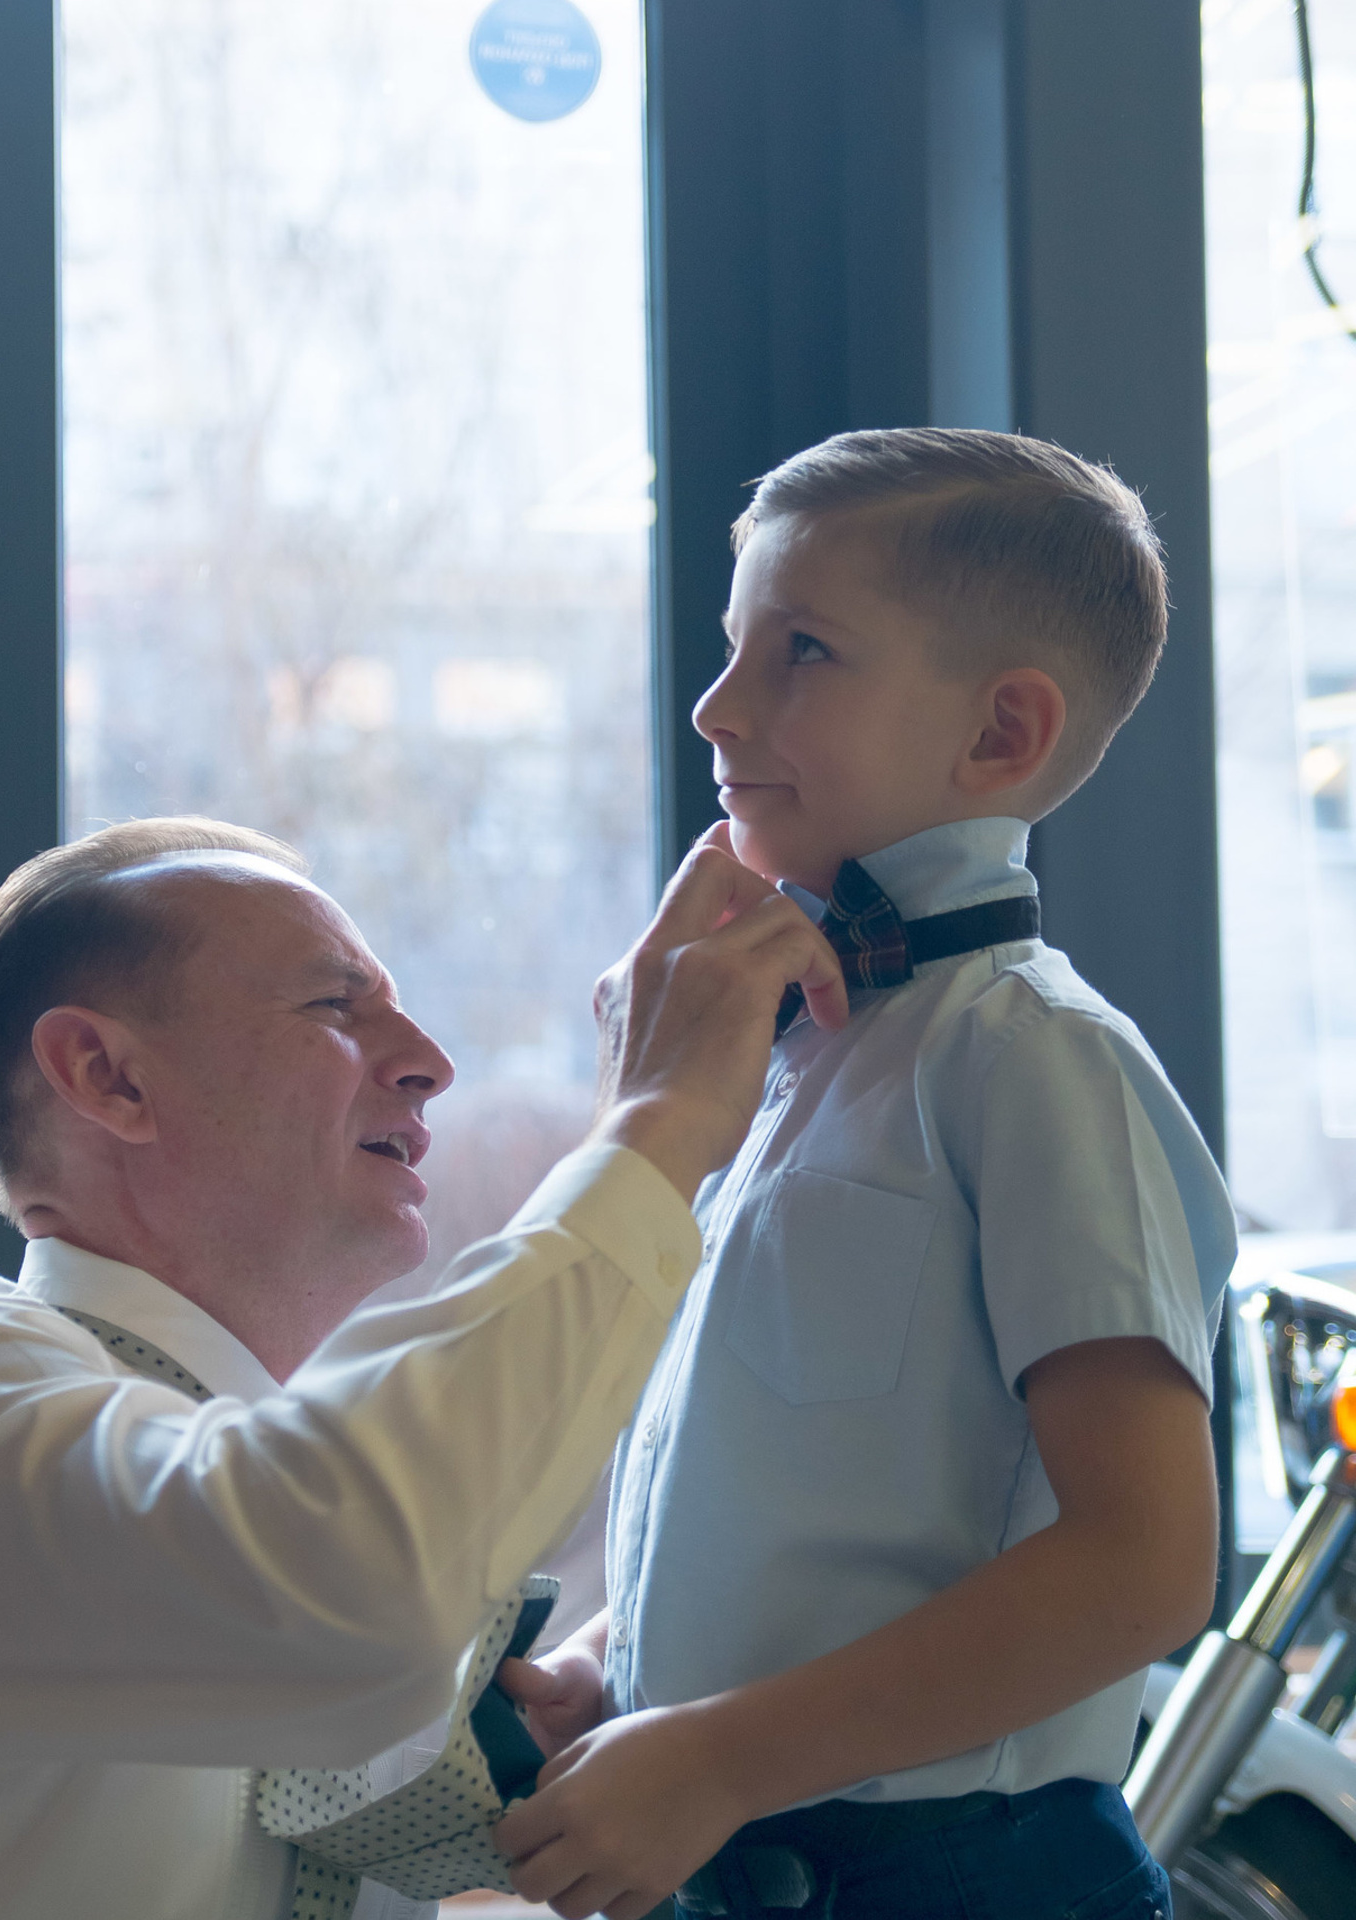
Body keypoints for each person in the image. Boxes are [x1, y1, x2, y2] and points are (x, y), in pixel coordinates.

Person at [0, 813, 846, 1920]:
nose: (427, 1059)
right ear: (109, 1076)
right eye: (334, 1007)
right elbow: (335, 1594)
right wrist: (655, 1127)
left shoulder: (260, 1499)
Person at [494, 428, 1236, 1920]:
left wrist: (715, 1755)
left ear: (1000, 739)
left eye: (804, 651)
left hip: (964, 1879)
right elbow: (816, 1499)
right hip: (742, 1850)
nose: (714, 706)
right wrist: (621, 1670)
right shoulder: (776, 1061)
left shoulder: (1039, 1062)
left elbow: (1144, 1564)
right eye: (730, 647)